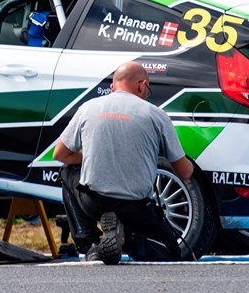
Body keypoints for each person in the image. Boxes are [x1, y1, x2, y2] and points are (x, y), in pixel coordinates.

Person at [54, 61, 194, 264]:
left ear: (113, 88)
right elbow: (184, 172)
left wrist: (91, 155)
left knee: (67, 172)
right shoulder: (156, 115)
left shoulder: (88, 108)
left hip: (94, 202)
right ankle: (129, 237)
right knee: (170, 254)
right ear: (141, 84)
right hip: (136, 208)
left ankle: (89, 245)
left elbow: (60, 154)